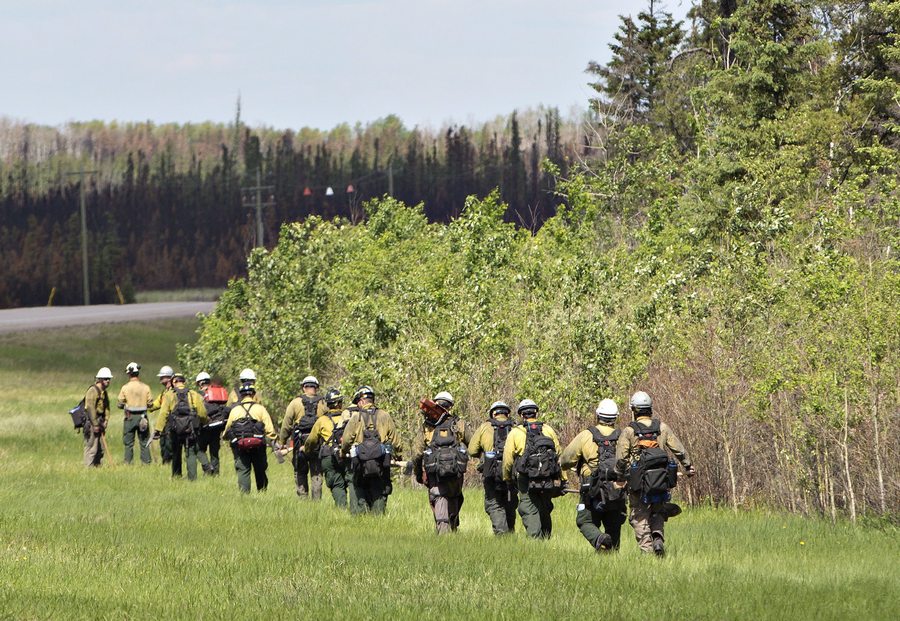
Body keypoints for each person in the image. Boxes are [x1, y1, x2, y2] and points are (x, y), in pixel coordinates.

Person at [615, 391, 696, 556]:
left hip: (639, 483)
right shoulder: (662, 428)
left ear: (634, 410)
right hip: (661, 480)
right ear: (650, 409)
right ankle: (658, 537)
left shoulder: (629, 432)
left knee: (639, 516)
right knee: (658, 510)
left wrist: (620, 477)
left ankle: (647, 551)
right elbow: (678, 449)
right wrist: (688, 466)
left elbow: (621, 458)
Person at [560, 398, 627, 552]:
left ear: (597, 416)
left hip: (592, 486)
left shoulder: (586, 435)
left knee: (584, 521)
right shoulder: (624, 436)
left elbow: (565, 460)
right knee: (614, 523)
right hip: (618, 486)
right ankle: (611, 556)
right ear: (616, 418)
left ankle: (599, 538)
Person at [501, 399, 563, 539]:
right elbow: (559, 454)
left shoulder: (515, 432)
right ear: (536, 413)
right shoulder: (548, 429)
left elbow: (508, 460)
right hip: (547, 475)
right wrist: (562, 478)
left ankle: (535, 539)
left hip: (525, 477)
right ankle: (546, 536)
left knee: (528, 506)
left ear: (522, 415)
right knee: (545, 505)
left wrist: (507, 478)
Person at [412, 391, 471, 534]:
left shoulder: (427, 427)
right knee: (455, 496)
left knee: (438, 496)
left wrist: (418, 474)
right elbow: (473, 444)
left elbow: (417, 453)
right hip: (455, 472)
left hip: (434, 473)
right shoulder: (458, 424)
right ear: (450, 406)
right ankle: (453, 526)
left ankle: (442, 530)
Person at [339, 385, 403, 516]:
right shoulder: (385, 415)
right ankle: (378, 517)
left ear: (361, 401)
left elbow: (346, 440)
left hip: (360, 462)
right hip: (381, 462)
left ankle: (362, 516)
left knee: (359, 487)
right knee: (379, 489)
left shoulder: (356, 417)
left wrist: (343, 452)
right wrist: (398, 455)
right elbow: (396, 441)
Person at [468, 401, 518, 535]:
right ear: (507, 414)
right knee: (510, 502)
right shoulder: (516, 428)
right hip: (512, 472)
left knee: (494, 503)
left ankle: (502, 534)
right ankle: (510, 532)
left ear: (493, 413)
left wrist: (484, 453)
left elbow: (472, 450)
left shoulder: (485, 427)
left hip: (491, 471)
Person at [223, 383, 277, 493]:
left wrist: (226, 438)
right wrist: (270, 440)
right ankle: (262, 492)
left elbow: (227, 430)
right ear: (253, 394)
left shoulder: (235, 410)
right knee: (260, 470)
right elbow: (270, 431)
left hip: (240, 446)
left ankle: (244, 495)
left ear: (241, 395)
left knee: (243, 470)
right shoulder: (261, 409)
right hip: (258, 446)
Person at [153, 372, 208, 480]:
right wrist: (204, 422)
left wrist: (158, 430)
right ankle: (192, 478)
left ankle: (176, 475)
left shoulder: (169, 395)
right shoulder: (193, 394)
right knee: (191, 452)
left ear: (174, 382)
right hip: (190, 429)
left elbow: (163, 413)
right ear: (184, 382)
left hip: (175, 429)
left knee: (176, 452)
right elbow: (202, 412)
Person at [303, 388, 352, 508]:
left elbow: (311, 440)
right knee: (351, 481)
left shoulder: (322, 420)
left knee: (336, 483)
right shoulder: (350, 418)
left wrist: (306, 450)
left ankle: (342, 508)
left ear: (328, 404)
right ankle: (356, 508)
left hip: (329, 457)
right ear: (340, 403)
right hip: (347, 455)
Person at [279, 376, 326, 498]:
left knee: (300, 472)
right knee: (316, 473)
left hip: (299, 443)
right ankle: (316, 502)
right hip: (317, 444)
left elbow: (286, 424)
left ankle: (303, 499)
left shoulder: (295, 403)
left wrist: (282, 441)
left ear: (304, 387)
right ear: (316, 387)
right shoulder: (323, 403)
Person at [116, 362, 152, 465]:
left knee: (128, 443)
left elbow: (119, 403)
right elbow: (150, 403)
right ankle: (146, 462)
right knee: (144, 441)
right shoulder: (146, 387)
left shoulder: (125, 387)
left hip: (129, 418)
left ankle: (128, 462)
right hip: (143, 418)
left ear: (129, 374)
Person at [196, 372, 229, 476]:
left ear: (200, 384)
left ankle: (207, 467)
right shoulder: (217, 392)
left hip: (205, 427)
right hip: (218, 426)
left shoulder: (198, 395)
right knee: (214, 451)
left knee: (199, 449)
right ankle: (216, 473)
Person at [83, 367, 112, 467]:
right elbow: (90, 407)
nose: (108, 381)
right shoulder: (93, 390)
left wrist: (106, 420)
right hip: (92, 422)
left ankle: (97, 467)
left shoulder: (104, 392)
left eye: (109, 379)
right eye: (105, 379)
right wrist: (95, 424)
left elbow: (107, 406)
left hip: (100, 421)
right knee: (92, 447)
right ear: (99, 379)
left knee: (100, 448)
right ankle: (88, 468)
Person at [149, 365, 175, 464]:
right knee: (163, 443)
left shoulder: (174, 391)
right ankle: (165, 462)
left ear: (169, 378)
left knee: (169, 444)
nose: (160, 379)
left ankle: (171, 463)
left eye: (162, 377)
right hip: (164, 422)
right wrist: (146, 406)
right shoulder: (164, 392)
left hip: (171, 421)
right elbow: (157, 403)